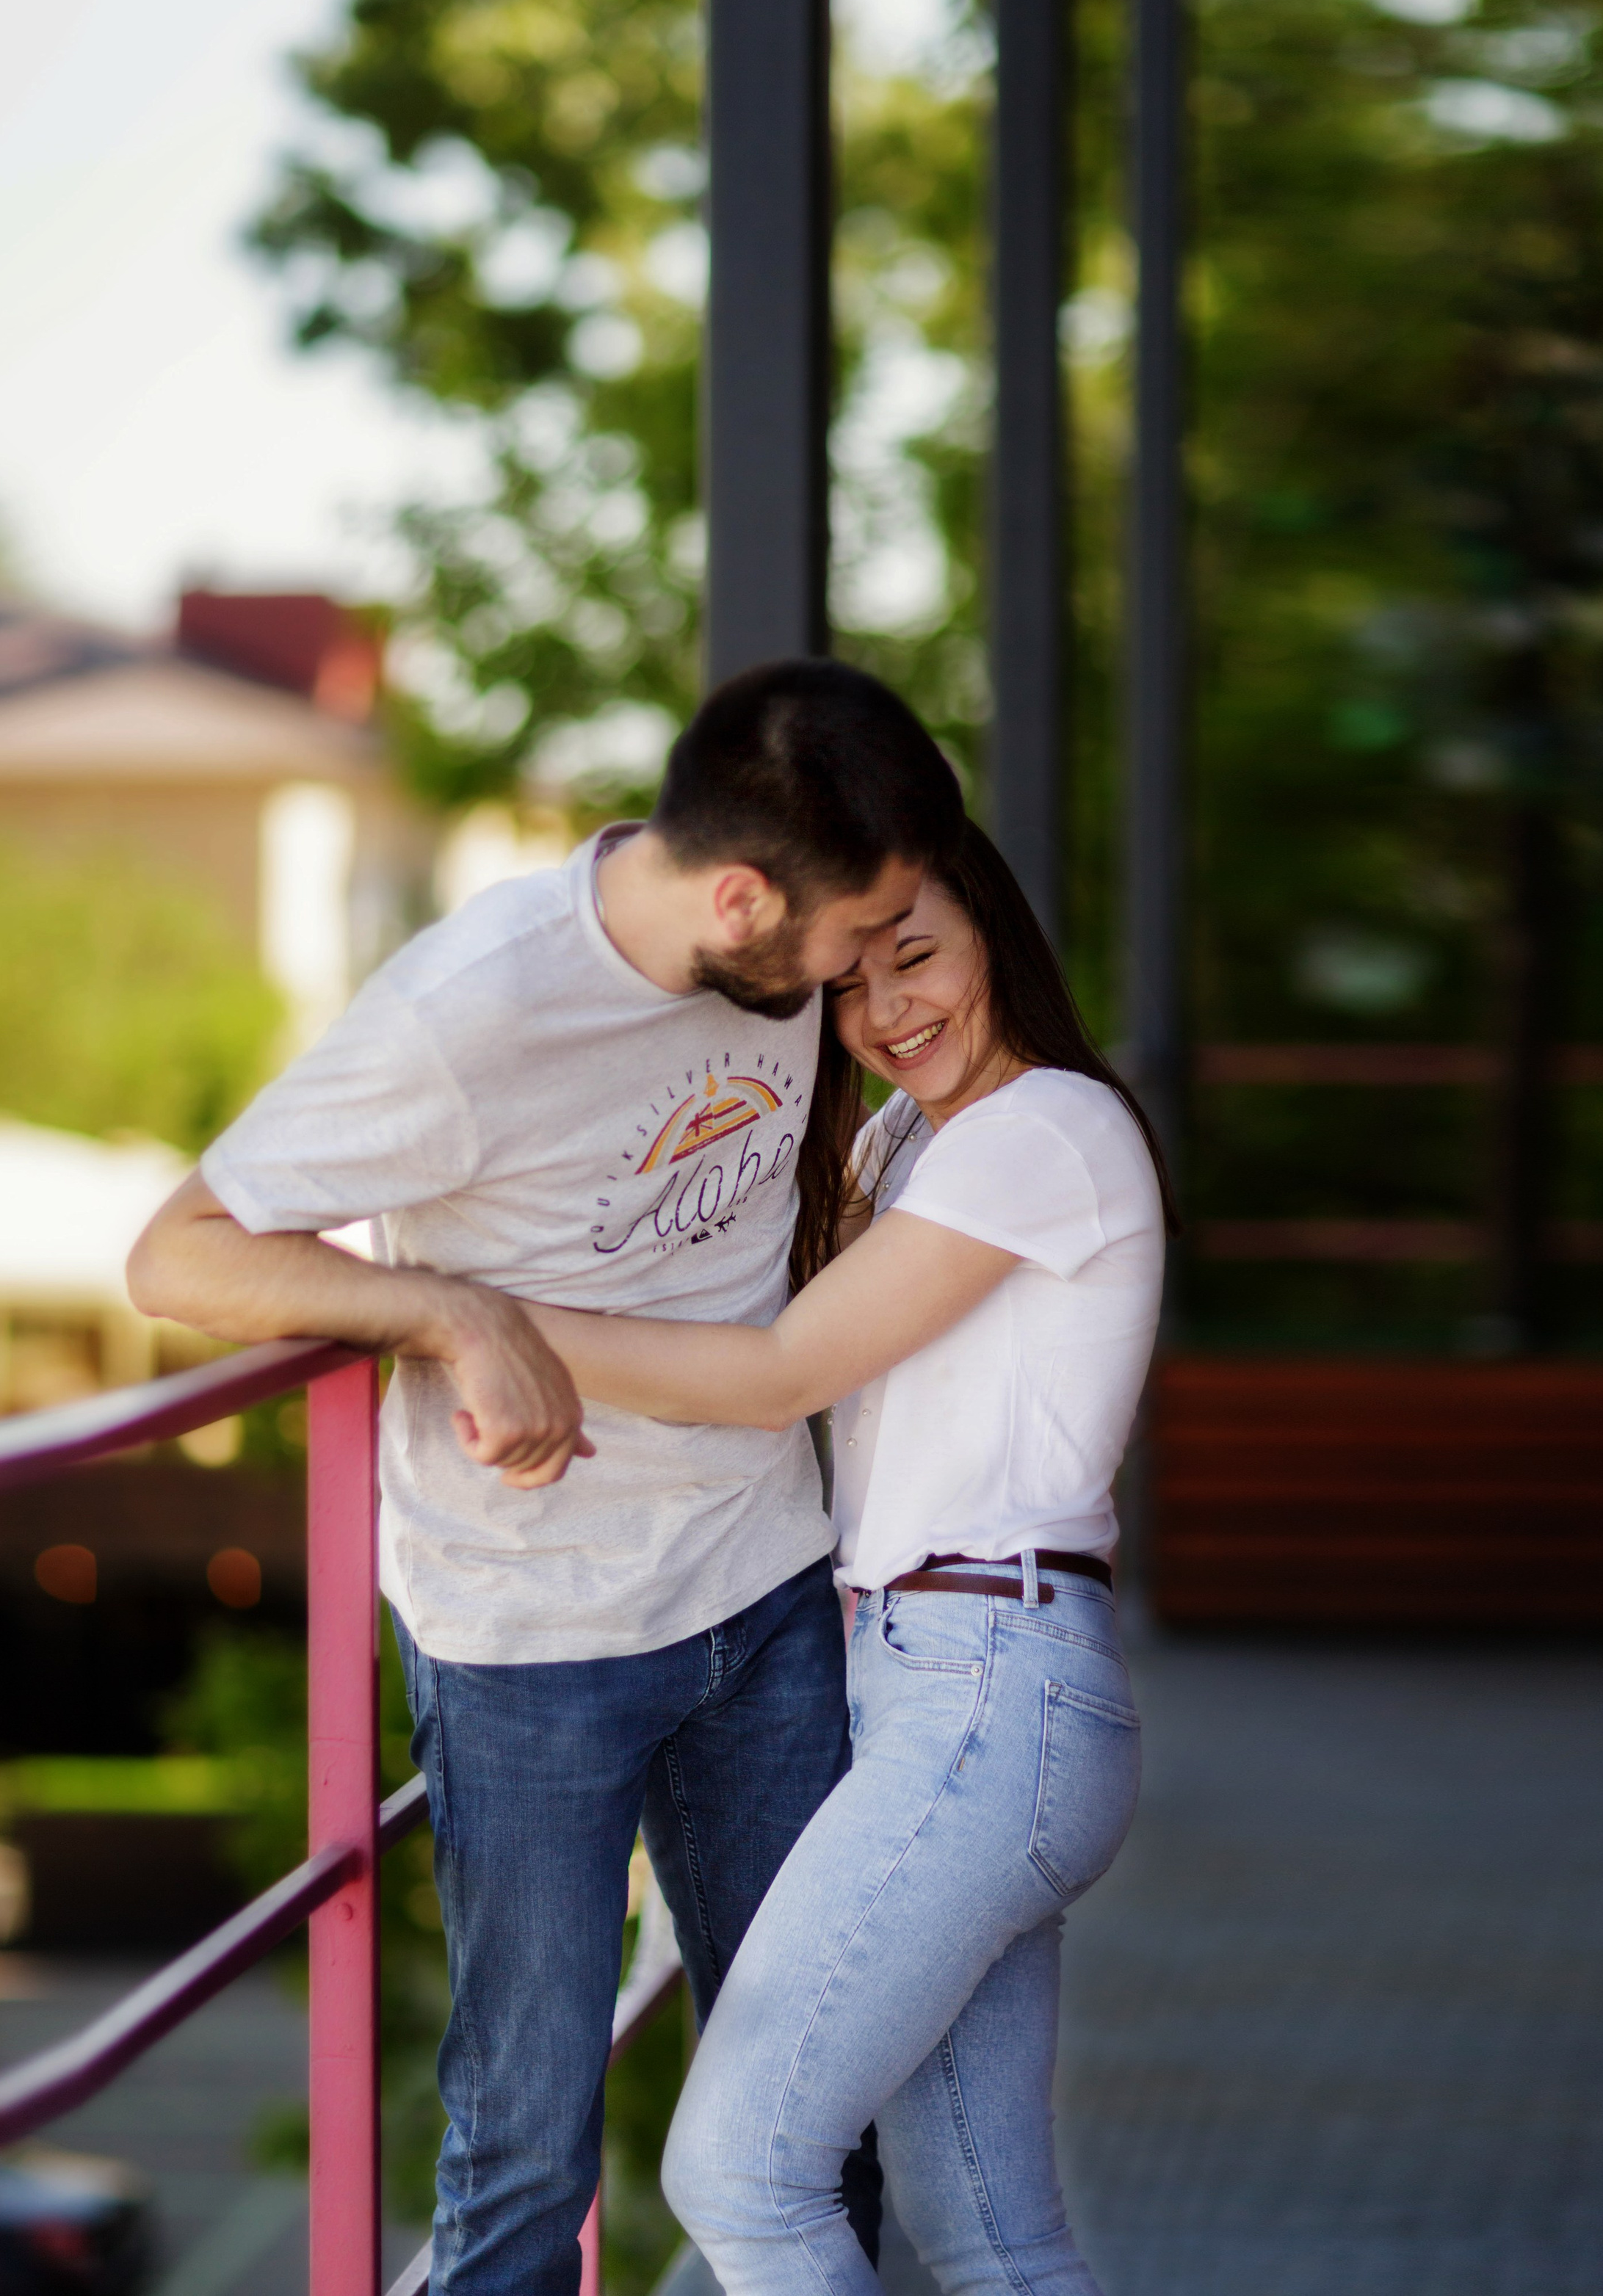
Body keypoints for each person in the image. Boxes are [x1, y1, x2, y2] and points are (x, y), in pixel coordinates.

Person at [126, 657, 966, 2296]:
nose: (864, 975)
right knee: (524, 2156)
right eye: (848, 934)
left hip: (762, 1579)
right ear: (737, 896)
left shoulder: (767, 968)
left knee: (816, 2108)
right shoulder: (469, 1009)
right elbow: (177, 1253)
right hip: (530, 1640)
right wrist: (446, 1307)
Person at [511, 820, 1175, 2296]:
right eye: (845, 984)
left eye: (917, 954)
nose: (887, 1011)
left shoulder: (1040, 1130)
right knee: (990, 2232)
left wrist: (470, 1319)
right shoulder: (906, 1138)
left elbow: (774, 1369)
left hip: (988, 1691)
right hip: (939, 1692)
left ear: (992, 932)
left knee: (738, 2173)